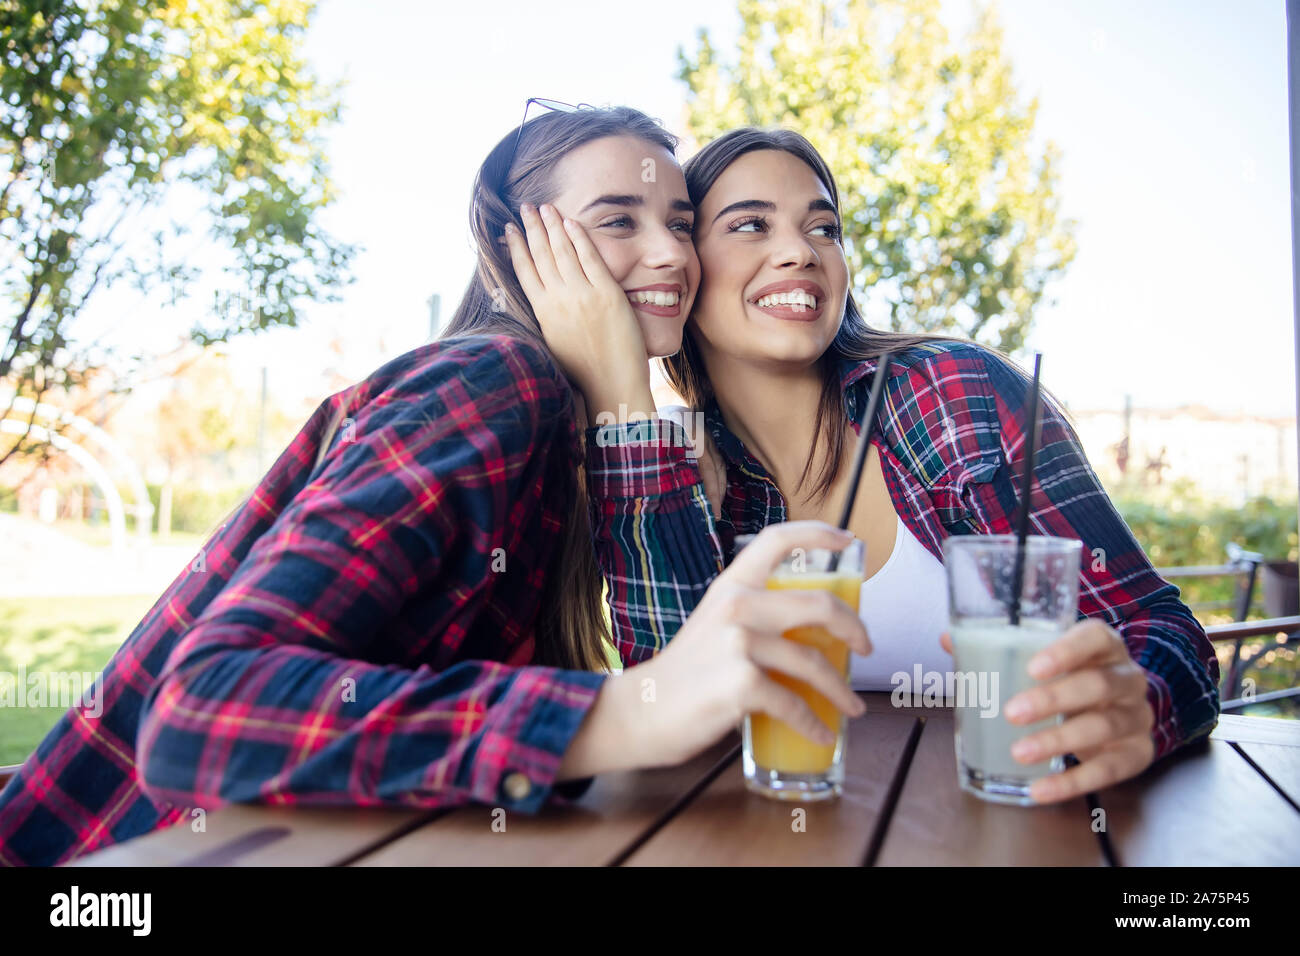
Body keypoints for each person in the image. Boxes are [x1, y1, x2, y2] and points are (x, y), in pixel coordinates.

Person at [0, 106, 870, 866]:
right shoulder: (492, 383)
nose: (668, 253)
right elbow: (202, 711)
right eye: (617, 221)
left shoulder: (571, 428)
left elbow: (690, 696)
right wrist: (627, 717)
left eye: (680, 222)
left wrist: (624, 401)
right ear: (513, 251)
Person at [509, 126, 1221, 806]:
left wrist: (1145, 701)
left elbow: (1163, 632)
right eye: (751, 225)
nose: (800, 251)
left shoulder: (953, 392)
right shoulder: (672, 470)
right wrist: (625, 395)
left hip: (1024, 818)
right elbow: (678, 712)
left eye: (824, 228)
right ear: (687, 267)